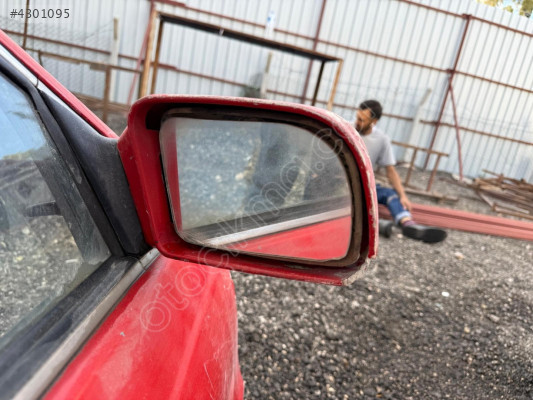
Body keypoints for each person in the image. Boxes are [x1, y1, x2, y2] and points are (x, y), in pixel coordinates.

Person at [356, 100, 446, 243]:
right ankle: (379, 225)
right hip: (344, 185)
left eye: (362, 120)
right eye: (357, 117)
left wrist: (403, 196)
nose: (357, 122)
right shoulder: (346, 129)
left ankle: (408, 224)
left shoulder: (381, 140)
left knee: (391, 194)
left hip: (364, 187)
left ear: (374, 121)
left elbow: (390, 170)